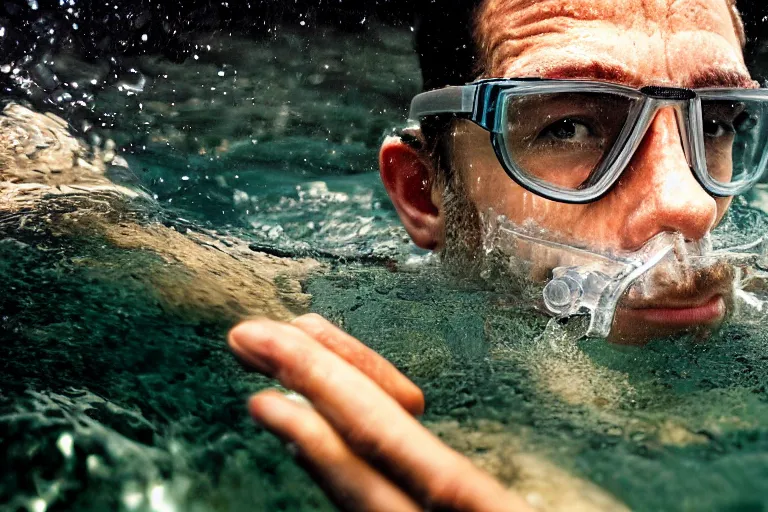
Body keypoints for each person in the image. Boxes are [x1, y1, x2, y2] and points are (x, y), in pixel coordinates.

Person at [228, 0, 764, 510]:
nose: (691, 204)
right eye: (569, 127)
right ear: (423, 192)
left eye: (717, 123)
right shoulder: (321, 306)